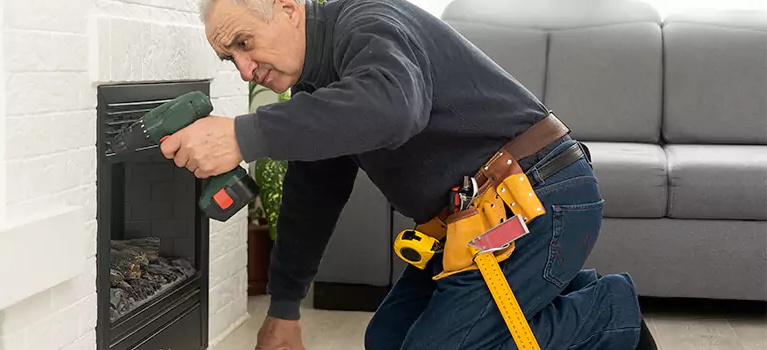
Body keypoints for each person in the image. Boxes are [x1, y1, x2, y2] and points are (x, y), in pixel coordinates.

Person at [161, 0, 658, 349]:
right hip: (475, 224)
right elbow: (312, 196)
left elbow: (394, 106)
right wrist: (285, 307)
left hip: (541, 197)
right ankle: (562, 293)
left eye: (245, 43)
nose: (245, 70)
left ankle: (612, 315)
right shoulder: (315, 92)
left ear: (288, 8)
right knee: (388, 339)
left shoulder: (369, 21)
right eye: (231, 58)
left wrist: (242, 135)